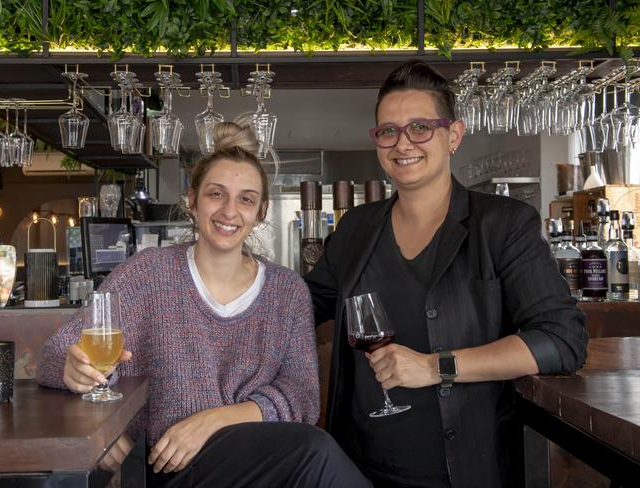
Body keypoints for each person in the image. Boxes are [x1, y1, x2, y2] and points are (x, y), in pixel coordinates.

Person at [37, 122, 369, 488]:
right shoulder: (148, 275)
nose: (230, 211)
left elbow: (302, 395)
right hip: (169, 468)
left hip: (258, 463)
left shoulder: (287, 291)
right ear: (192, 200)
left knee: (314, 452)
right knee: (315, 453)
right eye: (216, 194)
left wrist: (212, 421)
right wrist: (74, 371)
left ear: (260, 212)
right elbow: (54, 354)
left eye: (245, 199)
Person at [305, 60, 589, 488]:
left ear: (453, 135)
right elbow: (298, 307)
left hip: (465, 470)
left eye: (420, 127)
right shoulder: (356, 229)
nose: (403, 143)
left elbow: (561, 341)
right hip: (357, 469)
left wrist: (438, 366)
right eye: (388, 130)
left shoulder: (503, 225)